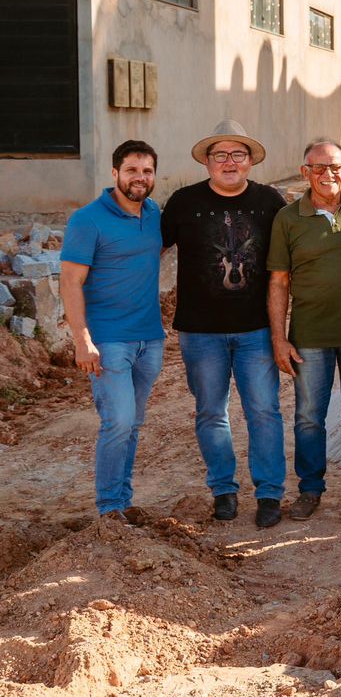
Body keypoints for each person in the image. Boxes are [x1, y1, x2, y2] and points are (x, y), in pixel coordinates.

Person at [160, 121, 286, 529]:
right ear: (208, 162)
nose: (229, 162)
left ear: (249, 161)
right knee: (211, 413)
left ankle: (269, 494)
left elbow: (299, 236)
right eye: (220, 155)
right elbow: (148, 247)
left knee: (264, 411)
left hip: (256, 330)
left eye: (237, 155)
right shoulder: (182, 202)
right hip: (200, 332)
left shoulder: (270, 202)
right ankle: (224, 491)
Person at [268, 141, 341, 521]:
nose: (328, 175)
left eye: (335, 167)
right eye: (319, 168)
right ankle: (310, 489)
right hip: (309, 336)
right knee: (309, 416)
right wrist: (279, 338)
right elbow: (279, 282)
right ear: (305, 172)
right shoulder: (288, 218)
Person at [61, 140, 164, 521]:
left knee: (132, 423)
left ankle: (123, 500)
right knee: (118, 420)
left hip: (150, 338)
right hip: (107, 340)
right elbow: (70, 282)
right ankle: (108, 508)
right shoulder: (87, 219)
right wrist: (82, 339)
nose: (140, 178)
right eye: (132, 170)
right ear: (115, 173)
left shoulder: (153, 213)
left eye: (147, 171)